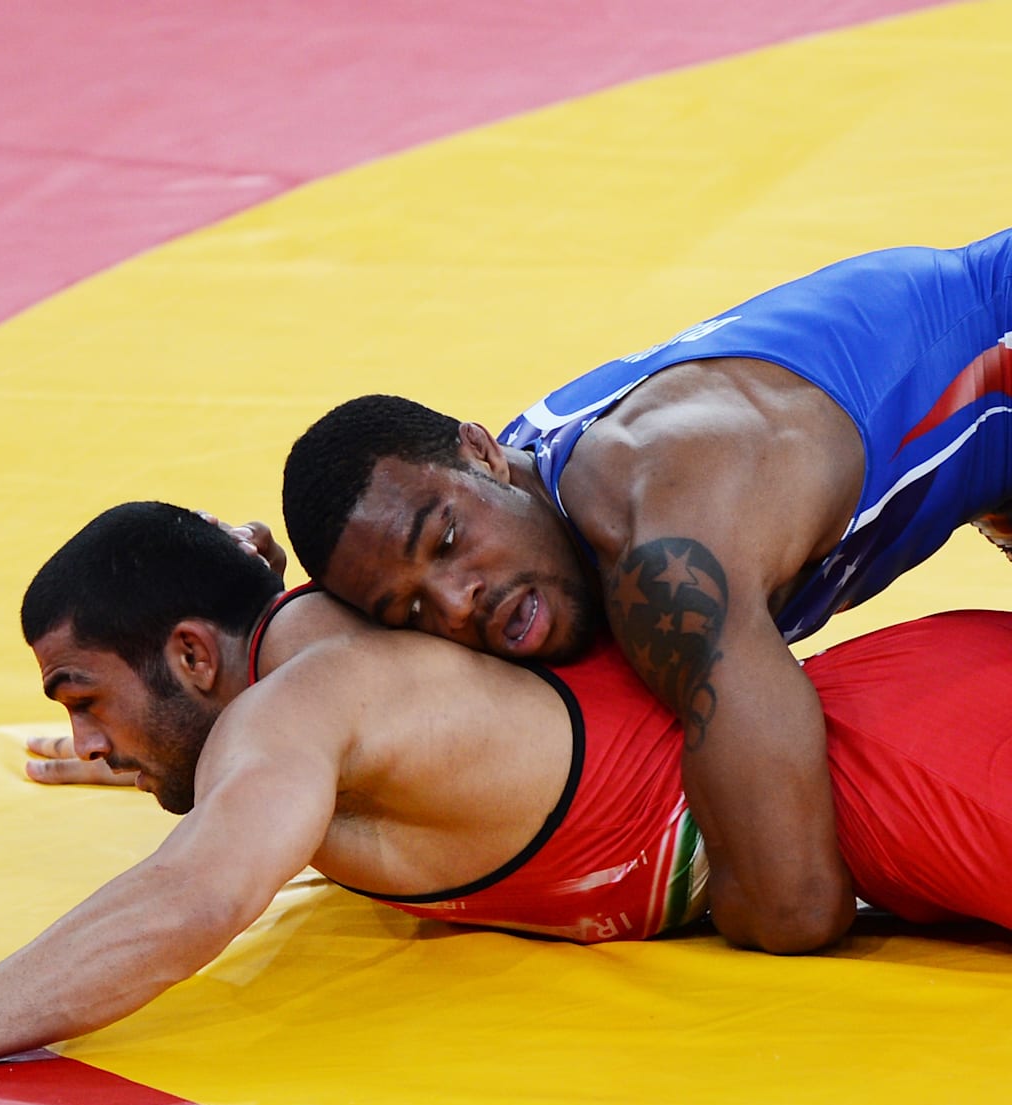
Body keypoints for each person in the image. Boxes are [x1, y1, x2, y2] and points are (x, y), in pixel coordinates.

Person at [0, 500, 1012, 1105]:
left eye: (88, 697)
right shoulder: (312, 654)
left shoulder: (302, 704)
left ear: (194, 657)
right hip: (895, 717)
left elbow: (191, 898)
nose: (86, 735)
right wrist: (150, 755)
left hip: (890, 761)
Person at [280, 228, 1012, 954]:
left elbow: (793, 907)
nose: (456, 601)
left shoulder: (660, 548)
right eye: (410, 611)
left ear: (481, 454)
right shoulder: (535, 483)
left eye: (444, 542)